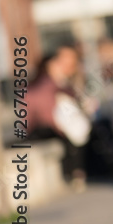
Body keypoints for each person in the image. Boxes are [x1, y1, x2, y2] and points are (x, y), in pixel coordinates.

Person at [28, 43, 92, 191]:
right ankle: (77, 174)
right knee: (72, 137)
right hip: (41, 126)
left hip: (54, 124)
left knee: (77, 133)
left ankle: (78, 173)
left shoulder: (63, 82)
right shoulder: (45, 84)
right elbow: (44, 112)